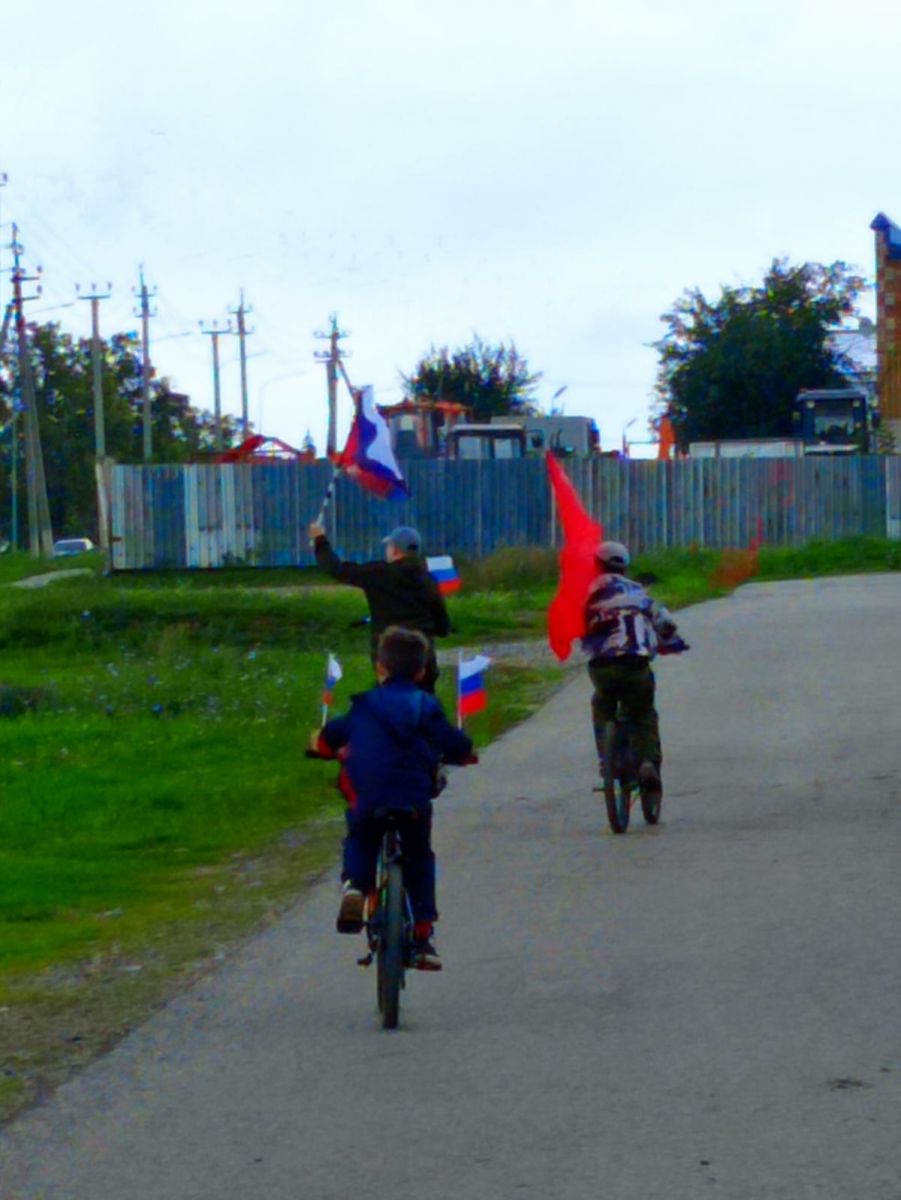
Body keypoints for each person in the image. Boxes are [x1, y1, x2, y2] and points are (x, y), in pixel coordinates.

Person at [313, 626, 475, 971]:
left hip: (368, 793)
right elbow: (455, 744)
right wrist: (465, 753)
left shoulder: (363, 706)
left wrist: (322, 747)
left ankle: (356, 887)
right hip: (412, 797)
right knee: (419, 854)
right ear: (422, 671)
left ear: (380, 668)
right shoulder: (427, 706)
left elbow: (329, 738)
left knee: (361, 835)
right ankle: (422, 935)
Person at [582, 540, 680, 797]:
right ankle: (647, 762)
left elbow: (574, 625)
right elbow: (666, 624)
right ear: (625, 567)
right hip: (635, 665)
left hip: (602, 668)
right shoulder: (640, 593)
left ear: (596, 565)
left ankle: (608, 762)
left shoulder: (587, 593)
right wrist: (669, 642)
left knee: (602, 704)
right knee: (642, 713)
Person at [307, 521, 450, 693]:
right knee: (423, 707)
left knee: (388, 706)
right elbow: (443, 628)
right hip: (423, 663)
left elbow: (336, 569)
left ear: (395, 550)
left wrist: (319, 539)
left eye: (388, 546)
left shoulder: (379, 573)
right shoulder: (429, 580)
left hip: (389, 662)